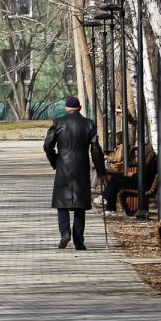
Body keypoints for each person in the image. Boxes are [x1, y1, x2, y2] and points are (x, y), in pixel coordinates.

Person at [43, 96, 107, 250]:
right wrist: (101, 171)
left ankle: (65, 233)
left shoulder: (58, 122)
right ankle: (79, 240)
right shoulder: (89, 124)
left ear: (66, 108)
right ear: (79, 108)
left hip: (63, 167)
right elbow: (95, 149)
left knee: (62, 203)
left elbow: (47, 145)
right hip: (81, 166)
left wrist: (55, 160)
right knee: (80, 205)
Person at [101, 136, 158, 217]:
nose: (139, 154)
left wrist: (133, 174)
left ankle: (107, 201)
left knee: (116, 178)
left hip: (142, 185)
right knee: (115, 180)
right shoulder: (149, 160)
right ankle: (109, 206)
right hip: (139, 181)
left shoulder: (152, 162)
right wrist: (134, 174)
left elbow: (146, 176)